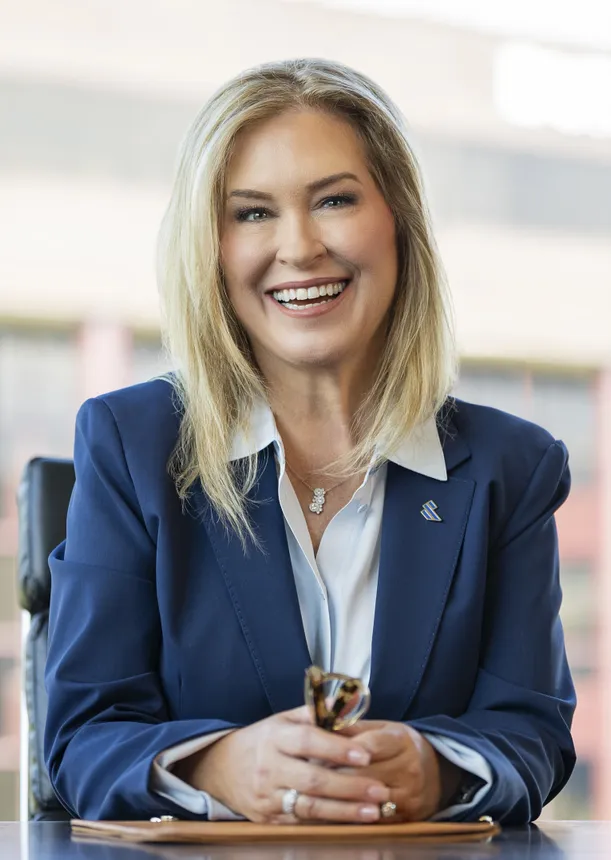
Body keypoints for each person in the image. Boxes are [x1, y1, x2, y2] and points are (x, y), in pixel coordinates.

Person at [44, 58, 576, 825]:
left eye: (333, 200)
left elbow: (529, 730)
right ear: (213, 248)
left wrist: (437, 771)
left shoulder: (510, 469)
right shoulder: (131, 443)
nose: (298, 247)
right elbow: (82, 737)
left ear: (396, 218)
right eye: (252, 213)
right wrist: (220, 766)